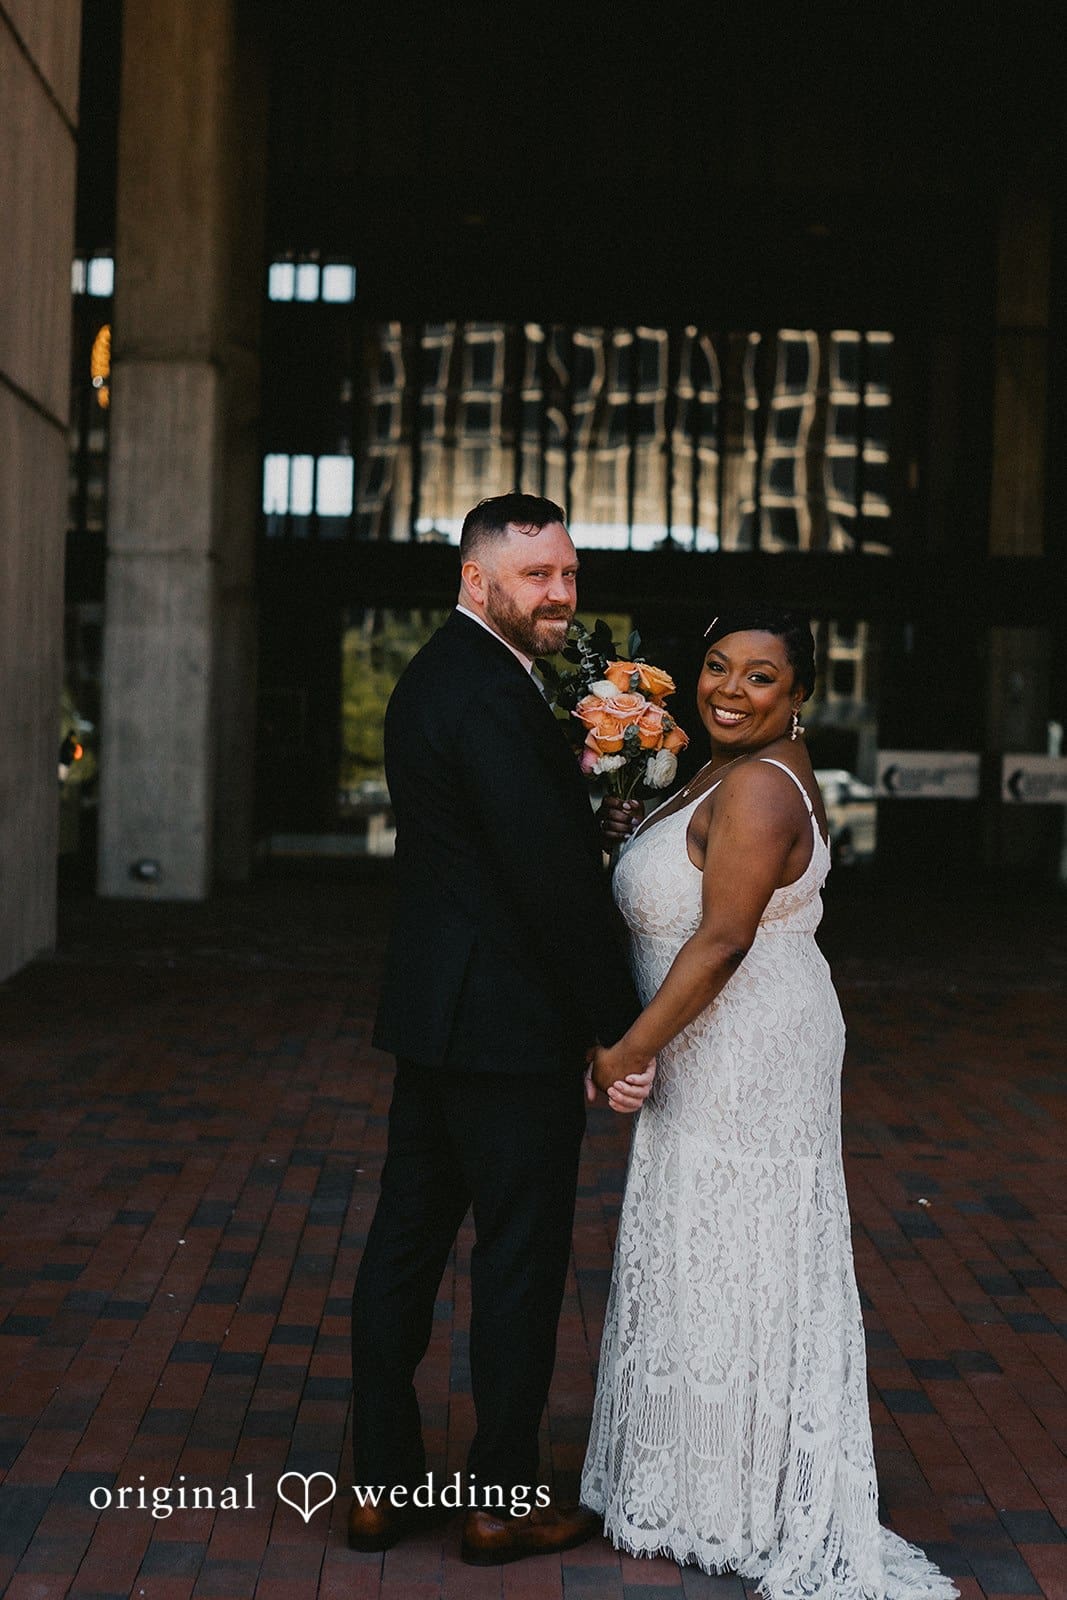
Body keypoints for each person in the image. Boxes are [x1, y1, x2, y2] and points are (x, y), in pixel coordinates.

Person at [580, 609, 957, 1600]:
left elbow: (719, 940)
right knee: (705, 1240)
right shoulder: (718, 766)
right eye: (714, 668)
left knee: (737, 1243)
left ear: (797, 696)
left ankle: (739, 1499)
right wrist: (630, 831)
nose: (728, 690)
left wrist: (623, 1049)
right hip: (707, 1041)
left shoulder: (755, 780)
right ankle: (700, 1481)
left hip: (743, 1044)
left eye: (758, 676)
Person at [349, 493, 654, 1566]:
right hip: (507, 1025)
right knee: (517, 1261)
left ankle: (380, 1486)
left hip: (435, 1013)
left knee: (406, 1242)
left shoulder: (447, 674)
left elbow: (489, 849)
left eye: (568, 572)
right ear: (476, 580)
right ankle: (503, 1499)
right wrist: (618, 1031)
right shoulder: (488, 692)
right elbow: (547, 888)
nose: (561, 593)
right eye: (537, 576)